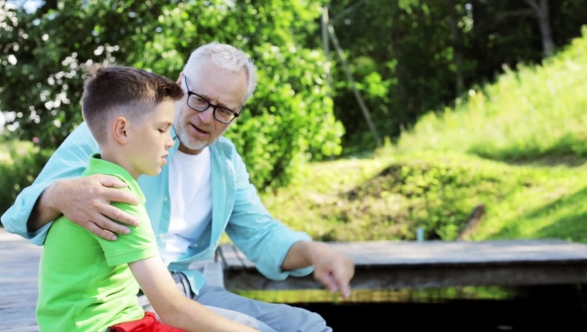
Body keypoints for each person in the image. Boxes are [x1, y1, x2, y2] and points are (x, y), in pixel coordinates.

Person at [2, 43, 354, 332]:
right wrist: (60, 195)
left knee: (310, 325)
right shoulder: (122, 134)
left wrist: (315, 253)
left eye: (223, 111)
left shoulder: (226, 163)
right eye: (200, 99)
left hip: (185, 291)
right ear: (182, 83)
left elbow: (261, 234)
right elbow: (18, 215)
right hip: (125, 303)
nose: (205, 118)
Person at [36, 65, 258, 332]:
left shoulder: (97, 183)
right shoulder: (116, 197)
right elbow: (172, 308)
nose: (170, 142)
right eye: (162, 129)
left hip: (117, 318)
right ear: (123, 130)